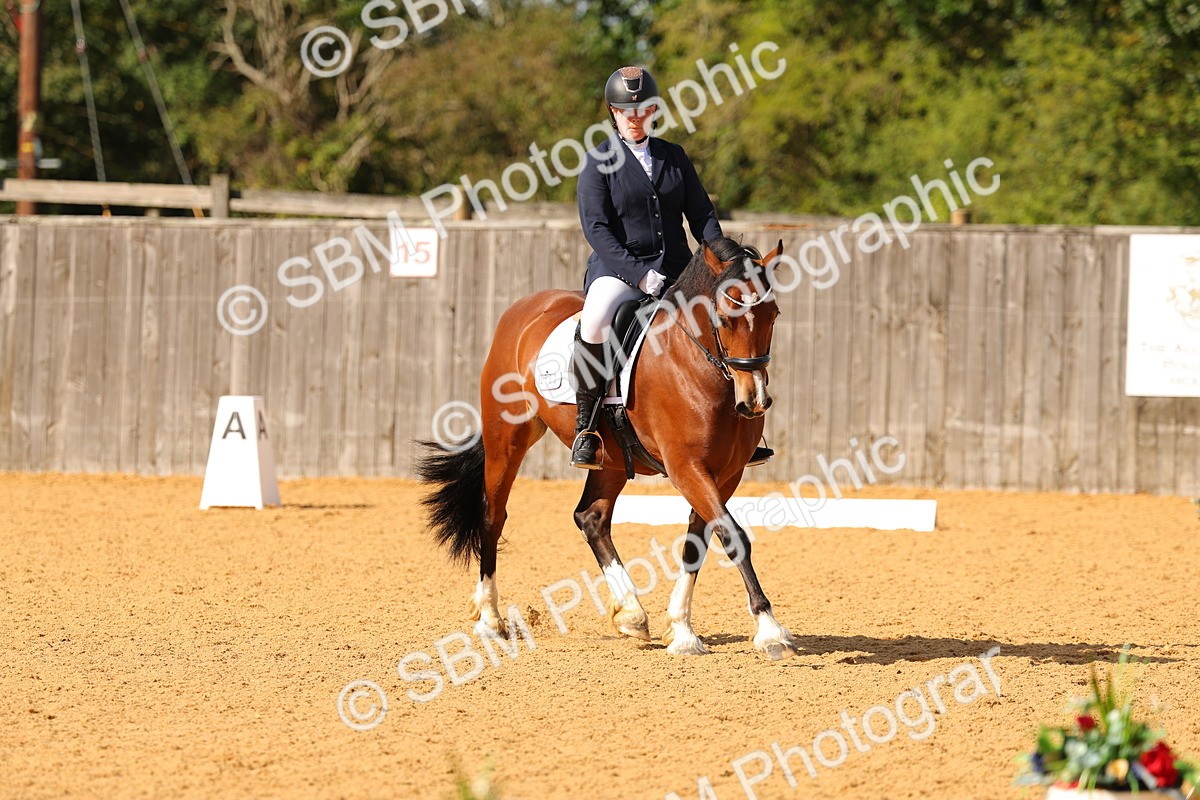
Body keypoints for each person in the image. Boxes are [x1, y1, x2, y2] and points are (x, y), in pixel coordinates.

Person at [570, 65, 773, 469]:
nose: (634, 116)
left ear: (653, 110)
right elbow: (596, 228)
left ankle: (744, 427)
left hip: (680, 271)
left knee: (731, 319)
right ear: (612, 112)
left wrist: (728, 262)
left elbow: (702, 217)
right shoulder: (598, 161)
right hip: (619, 271)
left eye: (642, 108)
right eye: (625, 110)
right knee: (594, 320)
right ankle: (587, 427)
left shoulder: (673, 157)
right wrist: (637, 273)